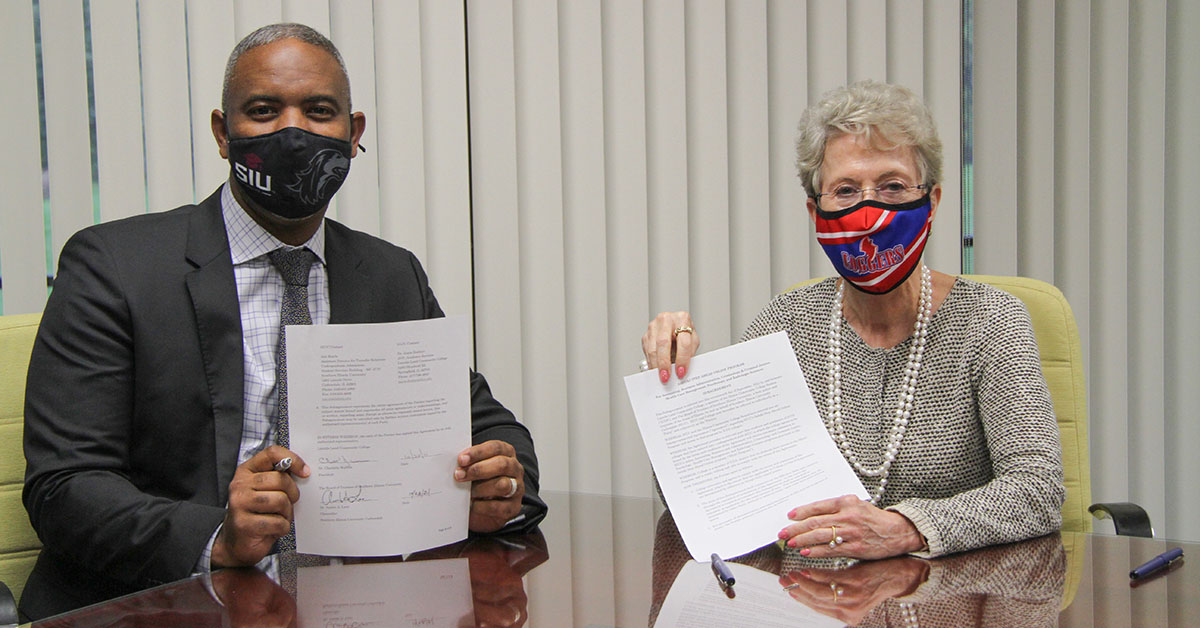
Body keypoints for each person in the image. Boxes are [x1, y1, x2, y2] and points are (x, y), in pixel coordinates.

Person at [21, 23, 546, 620]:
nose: (292, 133)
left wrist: (497, 487)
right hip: (166, 606)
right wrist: (217, 534)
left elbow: (496, 433)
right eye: (264, 110)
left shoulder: (389, 274)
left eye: (319, 111)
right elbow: (65, 486)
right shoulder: (114, 266)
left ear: (353, 135)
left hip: (358, 605)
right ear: (224, 133)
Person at [642, 80, 1063, 560]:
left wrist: (906, 528)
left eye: (893, 185)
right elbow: (709, 498)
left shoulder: (991, 319)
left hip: (949, 597)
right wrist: (669, 385)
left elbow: (1037, 489)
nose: (870, 209)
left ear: (933, 201)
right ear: (815, 211)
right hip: (811, 600)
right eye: (845, 191)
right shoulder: (786, 323)